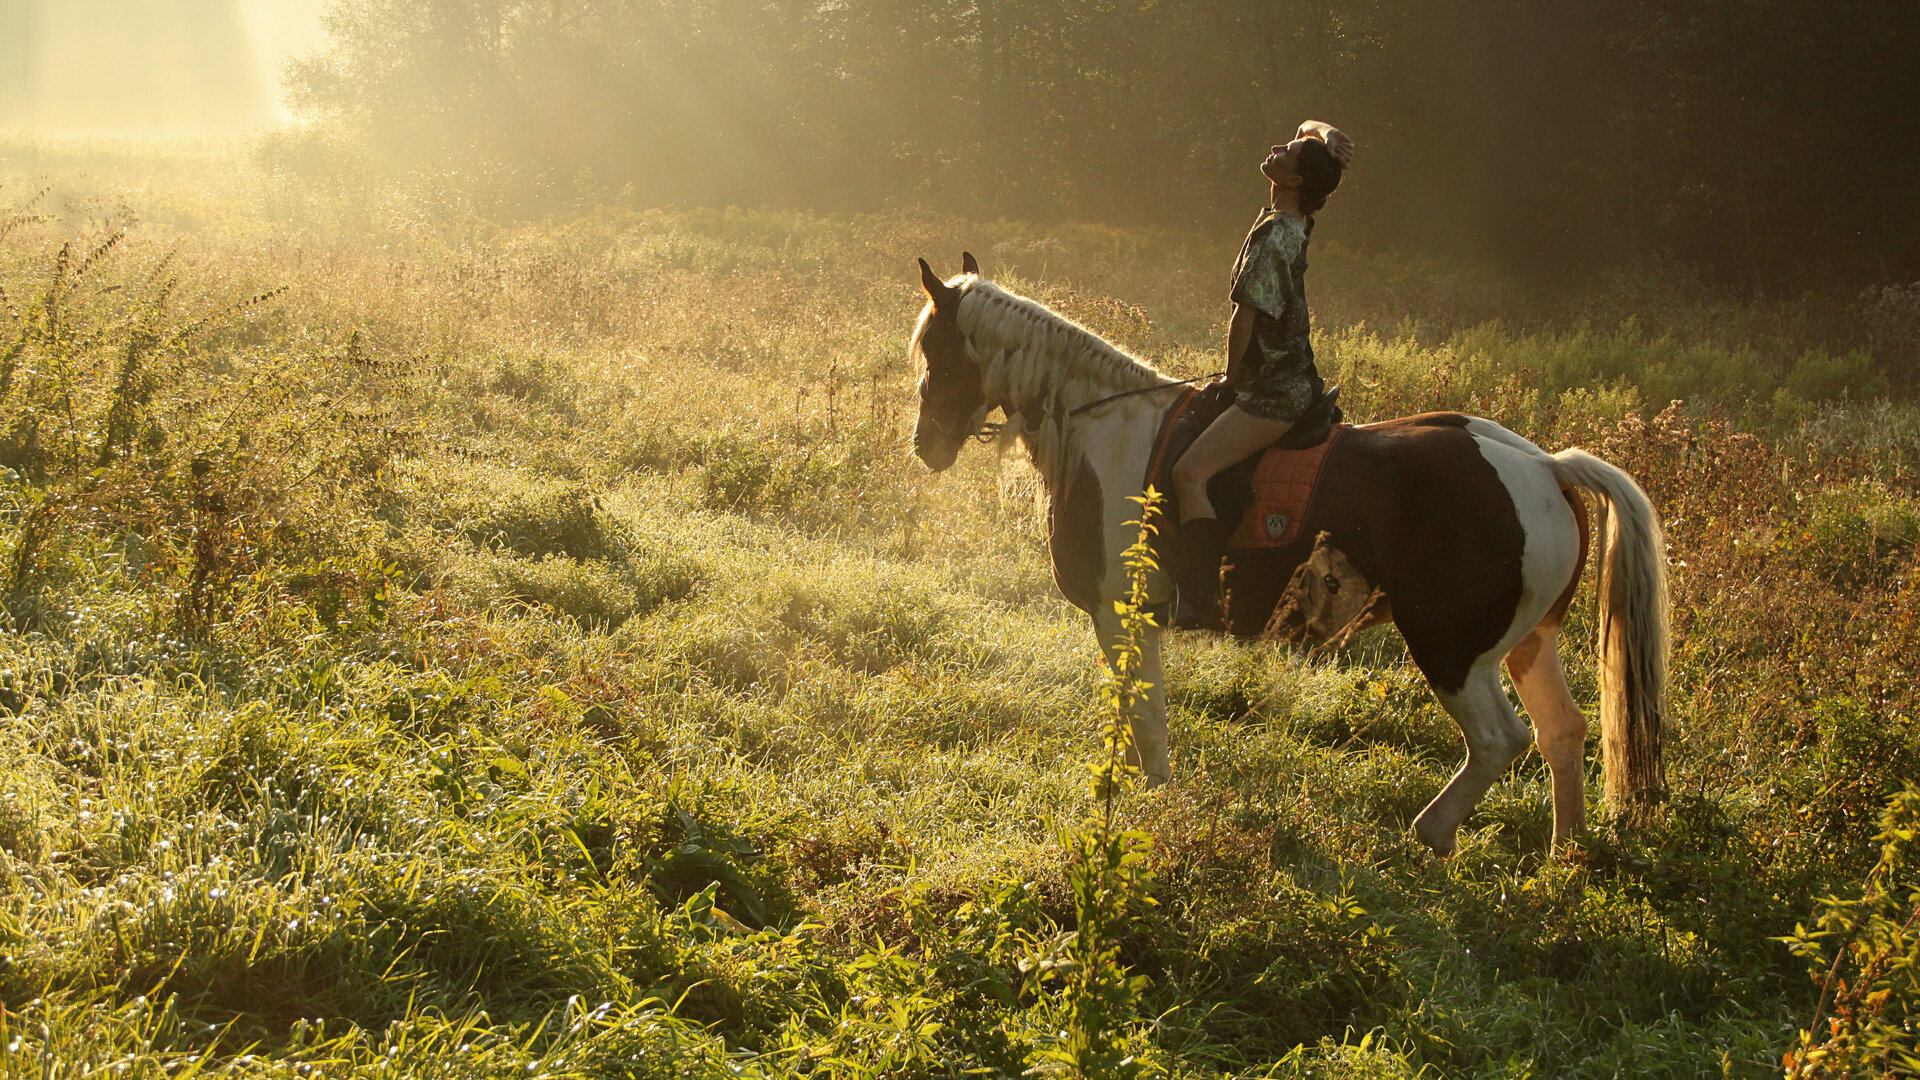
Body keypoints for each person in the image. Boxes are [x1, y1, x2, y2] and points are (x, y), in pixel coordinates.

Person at [1172, 120, 1352, 628]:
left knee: (1190, 472)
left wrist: (1229, 380)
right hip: (1288, 375)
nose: (1275, 148)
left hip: (1274, 390)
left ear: (1293, 180)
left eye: (1287, 152)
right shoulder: (1292, 221)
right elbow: (1306, 128)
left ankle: (1195, 602)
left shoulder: (1274, 235)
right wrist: (1325, 133)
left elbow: (1244, 318)